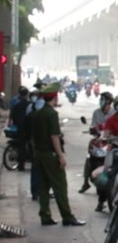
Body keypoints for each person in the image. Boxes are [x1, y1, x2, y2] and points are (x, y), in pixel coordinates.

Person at [30, 83, 86, 226]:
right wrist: (60, 155)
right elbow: (54, 136)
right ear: (54, 97)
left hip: (38, 154)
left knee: (43, 186)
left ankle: (45, 215)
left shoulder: (37, 113)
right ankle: (67, 216)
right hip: (50, 154)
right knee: (60, 186)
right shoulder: (51, 114)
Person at [79, 91, 114, 193]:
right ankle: (85, 182)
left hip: (111, 141)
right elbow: (93, 126)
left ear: (108, 102)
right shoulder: (96, 112)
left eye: (103, 99)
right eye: (101, 99)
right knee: (89, 158)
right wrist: (93, 129)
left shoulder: (114, 113)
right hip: (99, 140)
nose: (101, 101)